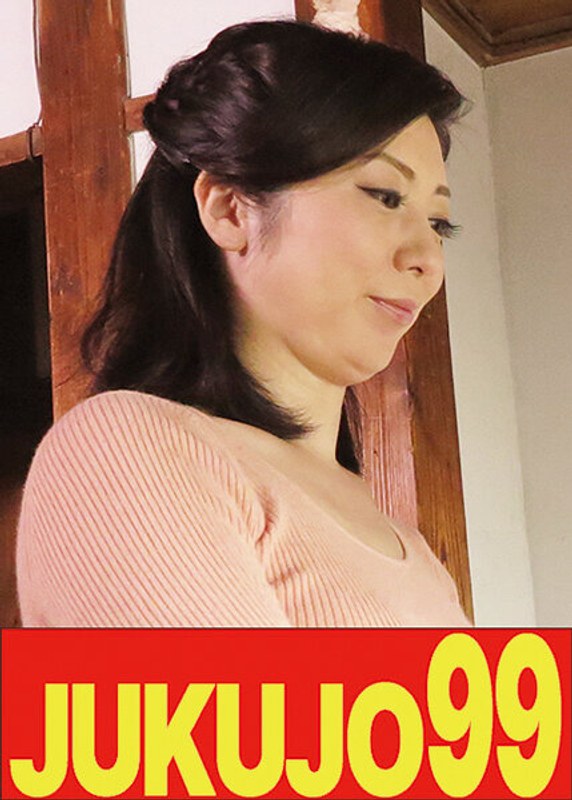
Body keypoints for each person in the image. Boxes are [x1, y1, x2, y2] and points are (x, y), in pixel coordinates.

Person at [17, 19, 470, 627]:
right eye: (385, 197)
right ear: (230, 210)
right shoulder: (127, 451)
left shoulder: (409, 548)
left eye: (439, 224)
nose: (427, 260)